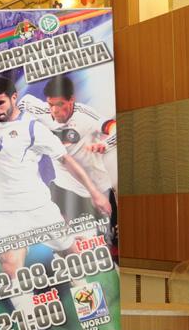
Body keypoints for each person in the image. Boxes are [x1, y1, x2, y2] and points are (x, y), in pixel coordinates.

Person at [0, 76, 110, 330]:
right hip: (4, 212)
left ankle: (92, 312)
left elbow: (66, 160)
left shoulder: (33, 128)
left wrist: (95, 193)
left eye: (0, 103)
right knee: (10, 265)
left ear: (13, 97)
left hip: (38, 208)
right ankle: (31, 328)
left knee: (70, 254)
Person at [18, 75, 117, 231]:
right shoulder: (41, 110)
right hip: (63, 188)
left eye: (60, 104)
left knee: (110, 240)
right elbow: (21, 103)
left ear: (72, 100)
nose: (55, 110)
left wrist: (105, 144)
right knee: (64, 239)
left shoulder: (85, 115)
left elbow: (115, 128)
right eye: (51, 104)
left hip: (98, 190)